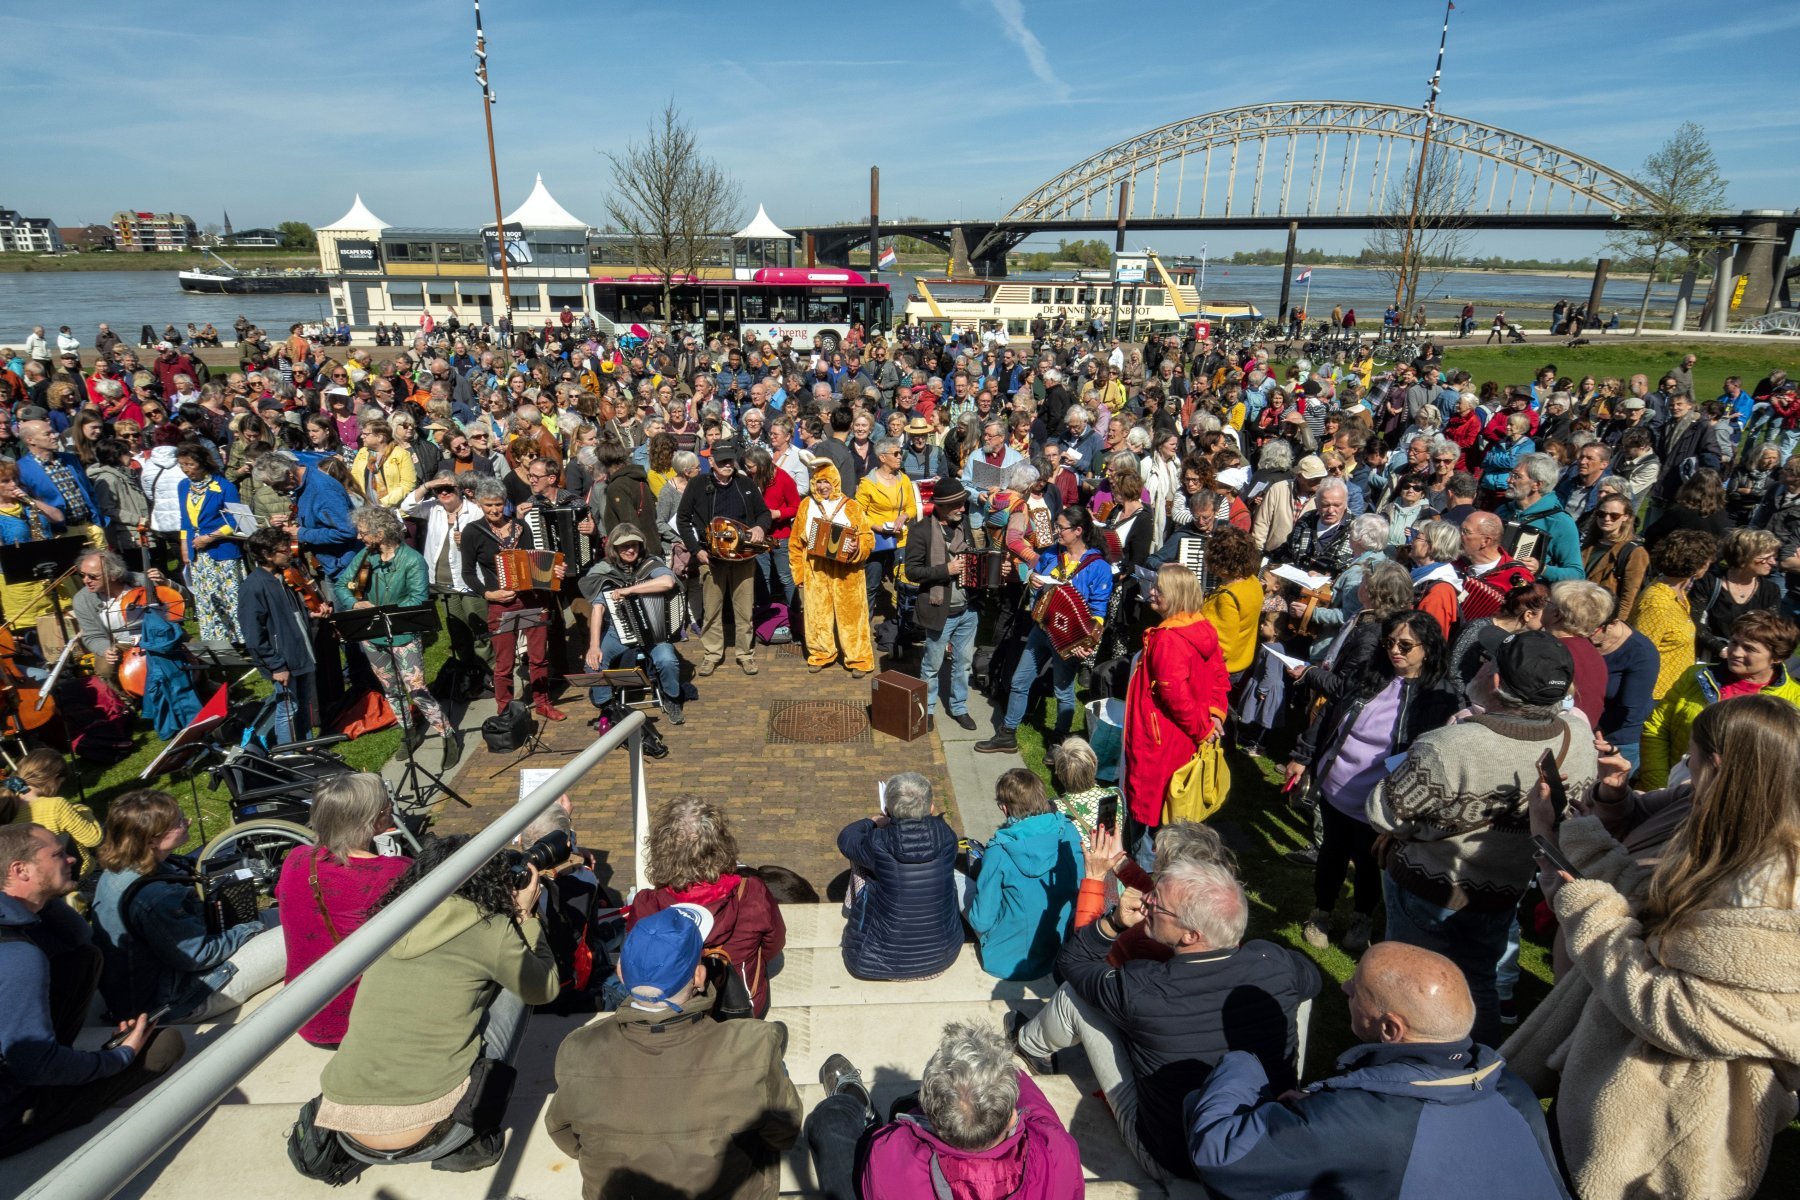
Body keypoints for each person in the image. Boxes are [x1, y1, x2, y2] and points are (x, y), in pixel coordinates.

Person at [1508, 696, 1800, 1200]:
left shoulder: (1770, 887)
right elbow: (1653, 909)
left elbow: (1679, 1011)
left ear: (1720, 767)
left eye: (1689, 759)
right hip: (1616, 1090)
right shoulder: (1731, 838)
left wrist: (1590, 913)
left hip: (1663, 1132)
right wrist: (1577, 839)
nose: (1684, 773)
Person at [1009, 855, 1320, 1182]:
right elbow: (1311, 979)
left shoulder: (1144, 989)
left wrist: (1113, 922)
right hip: (1259, 1141)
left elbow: (1072, 964)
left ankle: (1030, 1046)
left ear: (1190, 936)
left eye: (1159, 902)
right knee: (1297, 994)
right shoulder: (1276, 962)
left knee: (1075, 997)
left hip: (1174, 1159)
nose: (1147, 900)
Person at [1188, 942, 1567, 1200]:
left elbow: (1220, 1153)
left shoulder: (1362, 1120)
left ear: (1390, 1029)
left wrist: (1242, 1061)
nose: (1344, 985)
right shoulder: (1513, 1090)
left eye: (1357, 989)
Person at [1367, 631, 1598, 1045]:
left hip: (1429, 886)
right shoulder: (1577, 738)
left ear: (1495, 681)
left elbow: (1382, 810)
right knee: (1479, 984)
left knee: (1408, 986)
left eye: (1489, 661)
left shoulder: (1451, 745)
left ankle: (1404, 1067)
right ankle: (1479, 1072)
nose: (1480, 666)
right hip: (1504, 889)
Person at [310, 835, 558, 1172]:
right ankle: (474, 1133)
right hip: (439, 1134)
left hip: (347, 1134)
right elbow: (544, 988)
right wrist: (527, 917)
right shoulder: (490, 928)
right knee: (520, 983)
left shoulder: (387, 922)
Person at [545, 904, 802, 1198]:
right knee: (770, 1091)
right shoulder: (754, 1044)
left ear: (620, 972)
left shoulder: (578, 1050)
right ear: (699, 976)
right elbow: (783, 1133)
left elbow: (564, 1133)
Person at [0, 823, 185, 1158]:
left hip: (16, 1064)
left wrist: (46, 895)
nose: (71, 858)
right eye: (57, 853)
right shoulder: (18, 956)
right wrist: (119, 1056)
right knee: (163, 1045)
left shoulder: (15, 928)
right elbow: (35, 1066)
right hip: (10, 1113)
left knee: (82, 960)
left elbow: (78, 944)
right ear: (20, 869)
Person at [1288, 611, 1459, 954]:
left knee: (1371, 863)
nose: (1396, 651)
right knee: (1332, 854)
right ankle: (1321, 912)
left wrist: (1395, 781)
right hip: (1337, 787)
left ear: (1428, 648)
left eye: (1406, 645)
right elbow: (1329, 715)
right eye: (1390, 642)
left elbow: (1430, 750)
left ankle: (1362, 916)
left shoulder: (1440, 695)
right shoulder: (1371, 673)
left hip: (1383, 799)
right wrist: (1303, 755)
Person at [804, 1022, 1083, 1200]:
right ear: (1012, 1115)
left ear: (931, 1118)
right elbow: (1025, 1088)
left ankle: (854, 1110)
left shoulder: (890, 1153)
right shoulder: (1056, 1149)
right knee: (902, 1107)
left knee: (830, 1123)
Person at [92, 790, 287, 1024]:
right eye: (177, 822)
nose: (188, 822)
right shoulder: (157, 897)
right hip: (172, 1002)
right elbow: (199, 955)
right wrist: (250, 928)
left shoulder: (117, 871)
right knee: (302, 930)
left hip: (138, 994)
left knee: (287, 915)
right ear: (151, 839)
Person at [272, 773, 410, 1047]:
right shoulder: (391, 873)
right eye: (386, 806)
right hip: (356, 1021)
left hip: (302, 1013)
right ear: (374, 819)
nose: (391, 809)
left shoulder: (297, 858)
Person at [621, 794, 786, 1017]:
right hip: (742, 1007)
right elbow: (773, 945)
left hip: (677, 1016)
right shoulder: (751, 892)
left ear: (662, 851)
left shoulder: (647, 904)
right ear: (720, 845)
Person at [334, 505, 463, 764]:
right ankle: (408, 732)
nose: (359, 538)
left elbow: (417, 598)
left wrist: (384, 611)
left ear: (380, 533)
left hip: (403, 635)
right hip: (373, 636)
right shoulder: (365, 556)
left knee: (416, 689)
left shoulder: (412, 560)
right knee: (390, 689)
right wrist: (355, 603)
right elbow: (341, 584)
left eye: (363, 533)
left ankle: (446, 734)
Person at [977, 506, 1113, 753]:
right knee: (1020, 681)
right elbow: (1034, 577)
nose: (1056, 532)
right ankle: (1008, 734)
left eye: (1061, 528)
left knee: (1063, 691)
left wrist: (1087, 642)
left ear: (1078, 531)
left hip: (1067, 639)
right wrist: (1032, 580)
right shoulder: (1052, 554)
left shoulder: (1098, 566)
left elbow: (1099, 610)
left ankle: (1059, 741)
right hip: (1042, 629)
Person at [1121, 562, 1230, 860]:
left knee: (1151, 819)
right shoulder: (1201, 626)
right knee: (1176, 808)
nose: (1151, 592)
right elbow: (1220, 675)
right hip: (1183, 740)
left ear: (1177, 595)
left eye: (1159, 589)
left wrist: (1202, 727)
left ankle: (1144, 885)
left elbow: (1174, 694)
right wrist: (1214, 715)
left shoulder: (1168, 639)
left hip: (1160, 741)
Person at [1640, 609, 1800, 789]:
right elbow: (1656, 729)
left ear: (1777, 657)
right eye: (1734, 642)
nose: (1736, 652)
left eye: (1749, 648)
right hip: (1673, 789)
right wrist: (1660, 785)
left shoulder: (1794, 700)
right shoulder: (1696, 676)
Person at [837, 772, 962, 981]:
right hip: (942, 956)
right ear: (931, 808)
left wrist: (874, 821)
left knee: (858, 860)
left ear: (888, 809)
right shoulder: (947, 836)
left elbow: (847, 839)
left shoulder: (877, 843)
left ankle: (850, 909)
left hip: (872, 961)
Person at [460, 476, 564, 722]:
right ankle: (504, 709)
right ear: (479, 505)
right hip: (500, 603)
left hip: (533, 599)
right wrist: (488, 593)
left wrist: (553, 572)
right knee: (504, 662)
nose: (494, 510)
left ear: (505, 502)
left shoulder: (520, 526)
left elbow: (532, 559)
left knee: (539, 657)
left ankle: (542, 702)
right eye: (488, 505)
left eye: (498, 504)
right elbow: (467, 572)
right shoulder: (472, 532)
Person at [968, 769, 1084, 981]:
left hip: (1008, 962)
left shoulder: (999, 852)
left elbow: (981, 921)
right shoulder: (1069, 832)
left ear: (1004, 808)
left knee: (960, 883)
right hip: (1058, 952)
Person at [675, 440, 771, 677]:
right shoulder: (698, 484)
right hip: (712, 558)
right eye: (722, 461)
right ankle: (712, 654)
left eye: (731, 461)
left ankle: (745, 654)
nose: (728, 465)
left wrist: (760, 527)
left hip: (743, 558)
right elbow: (683, 519)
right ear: (711, 463)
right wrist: (696, 549)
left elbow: (764, 513)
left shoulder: (745, 483)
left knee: (744, 610)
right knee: (712, 610)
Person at [579, 522, 686, 723]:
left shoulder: (650, 564)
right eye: (624, 546)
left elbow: (668, 582)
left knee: (667, 660)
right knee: (593, 663)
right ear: (615, 549)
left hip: (654, 633)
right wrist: (593, 646)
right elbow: (598, 609)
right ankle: (607, 707)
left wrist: (630, 590)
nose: (630, 550)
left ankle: (672, 698)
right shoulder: (605, 570)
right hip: (617, 632)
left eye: (634, 545)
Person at [403, 474, 491, 699]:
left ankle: (491, 676)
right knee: (458, 633)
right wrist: (428, 485)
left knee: (479, 630)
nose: (444, 493)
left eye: (448, 488)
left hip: (470, 582)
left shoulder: (475, 510)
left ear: (459, 489)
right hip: (443, 583)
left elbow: (490, 541)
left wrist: (470, 541)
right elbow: (407, 506)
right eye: (439, 490)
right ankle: (471, 677)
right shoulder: (433, 508)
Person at [789, 455, 876, 676]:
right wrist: (799, 573)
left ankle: (858, 658)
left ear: (835, 481)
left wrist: (858, 548)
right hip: (816, 568)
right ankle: (820, 653)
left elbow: (867, 538)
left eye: (826, 481)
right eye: (818, 481)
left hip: (847, 570)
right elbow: (795, 543)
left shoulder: (851, 506)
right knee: (817, 614)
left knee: (852, 615)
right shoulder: (806, 505)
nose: (822, 486)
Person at [904, 476, 978, 730]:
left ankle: (959, 707)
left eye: (963, 503)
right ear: (942, 506)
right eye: (957, 505)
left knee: (963, 663)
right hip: (939, 611)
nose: (962, 508)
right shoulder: (921, 531)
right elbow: (911, 572)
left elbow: (977, 554)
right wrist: (945, 569)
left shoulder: (964, 524)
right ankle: (929, 708)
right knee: (932, 665)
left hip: (968, 610)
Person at [1629, 528, 1719, 700]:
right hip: (1653, 696)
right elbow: (1641, 655)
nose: (1709, 565)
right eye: (1707, 561)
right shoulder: (1657, 603)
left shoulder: (1679, 594)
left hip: (1672, 692)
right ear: (1696, 564)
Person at [173, 441, 244, 644]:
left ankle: (240, 639)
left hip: (222, 551)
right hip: (198, 553)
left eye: (190, 465)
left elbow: (236, 520)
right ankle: (217, 640)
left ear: (203, 463)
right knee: (207, 598)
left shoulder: (223, 487)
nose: (186, 470)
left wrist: (211, 537)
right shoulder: (183, 486)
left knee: (230, 596)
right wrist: (184, 546)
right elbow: (184, 520)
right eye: (182, 465)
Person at [4, 748, 102, 875]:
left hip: (41, 882)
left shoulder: (7, 807)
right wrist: (83, 810)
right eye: (61, 783)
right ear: (55, 779)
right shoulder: (55, 806)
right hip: (77, 875)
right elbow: (93, 839)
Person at [1692, 526, 1782, 660]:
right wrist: (1721, 649)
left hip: (1747, 661)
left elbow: (1768, 630)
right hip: (1708, 657)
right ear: (1746, 555)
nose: (1773, 562)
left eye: (1774, 557)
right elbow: (1694, 623)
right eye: (1768, 557)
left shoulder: (1771, 590)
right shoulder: (1708, 582)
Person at [1495, 453, 1581, 580]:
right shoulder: (1504, 510)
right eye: (1511, 475)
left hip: (1527, 593)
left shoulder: (1559, 521)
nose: (1509, 480)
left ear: (1537, 485)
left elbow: (1577, 574)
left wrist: (1542, 569)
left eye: (1516, 477)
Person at [1581, 493, 1650, 623]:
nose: (1607, 519)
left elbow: (1629, 597)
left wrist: (1616, 623)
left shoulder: (1635, 552)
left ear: (1626, 517)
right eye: (1602, 514)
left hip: (1602, 618)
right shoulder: (1588, 544)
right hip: (1577, 609)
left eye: (1614, 516)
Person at [347, 418, 415, 508]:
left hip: (393, 510)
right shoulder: (362, 452)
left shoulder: (401, 454)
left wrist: (383, 503)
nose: (361, 436)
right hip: (367, 509)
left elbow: (408, 485)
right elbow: (354, 478)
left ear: (380, 437)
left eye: (365, 434)